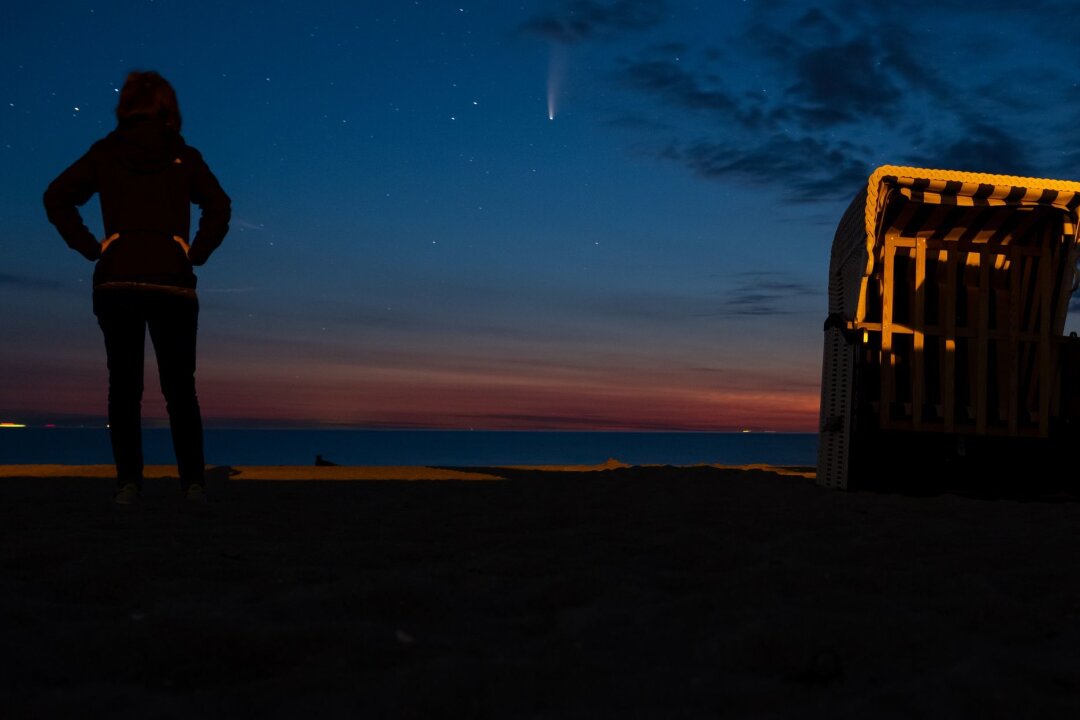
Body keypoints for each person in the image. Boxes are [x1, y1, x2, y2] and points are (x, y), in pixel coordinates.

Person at [44, 71, 231, 505]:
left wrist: (94, 248)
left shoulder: (106, 153)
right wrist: (193, 252)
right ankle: (193, 484)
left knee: (124, 387)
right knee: (180, 388)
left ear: (126, 106)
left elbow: (56, 196)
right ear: (168, 107)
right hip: (172, 284)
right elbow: (219, 207)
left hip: (119, 281)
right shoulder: (183, 155)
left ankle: (129, 483)